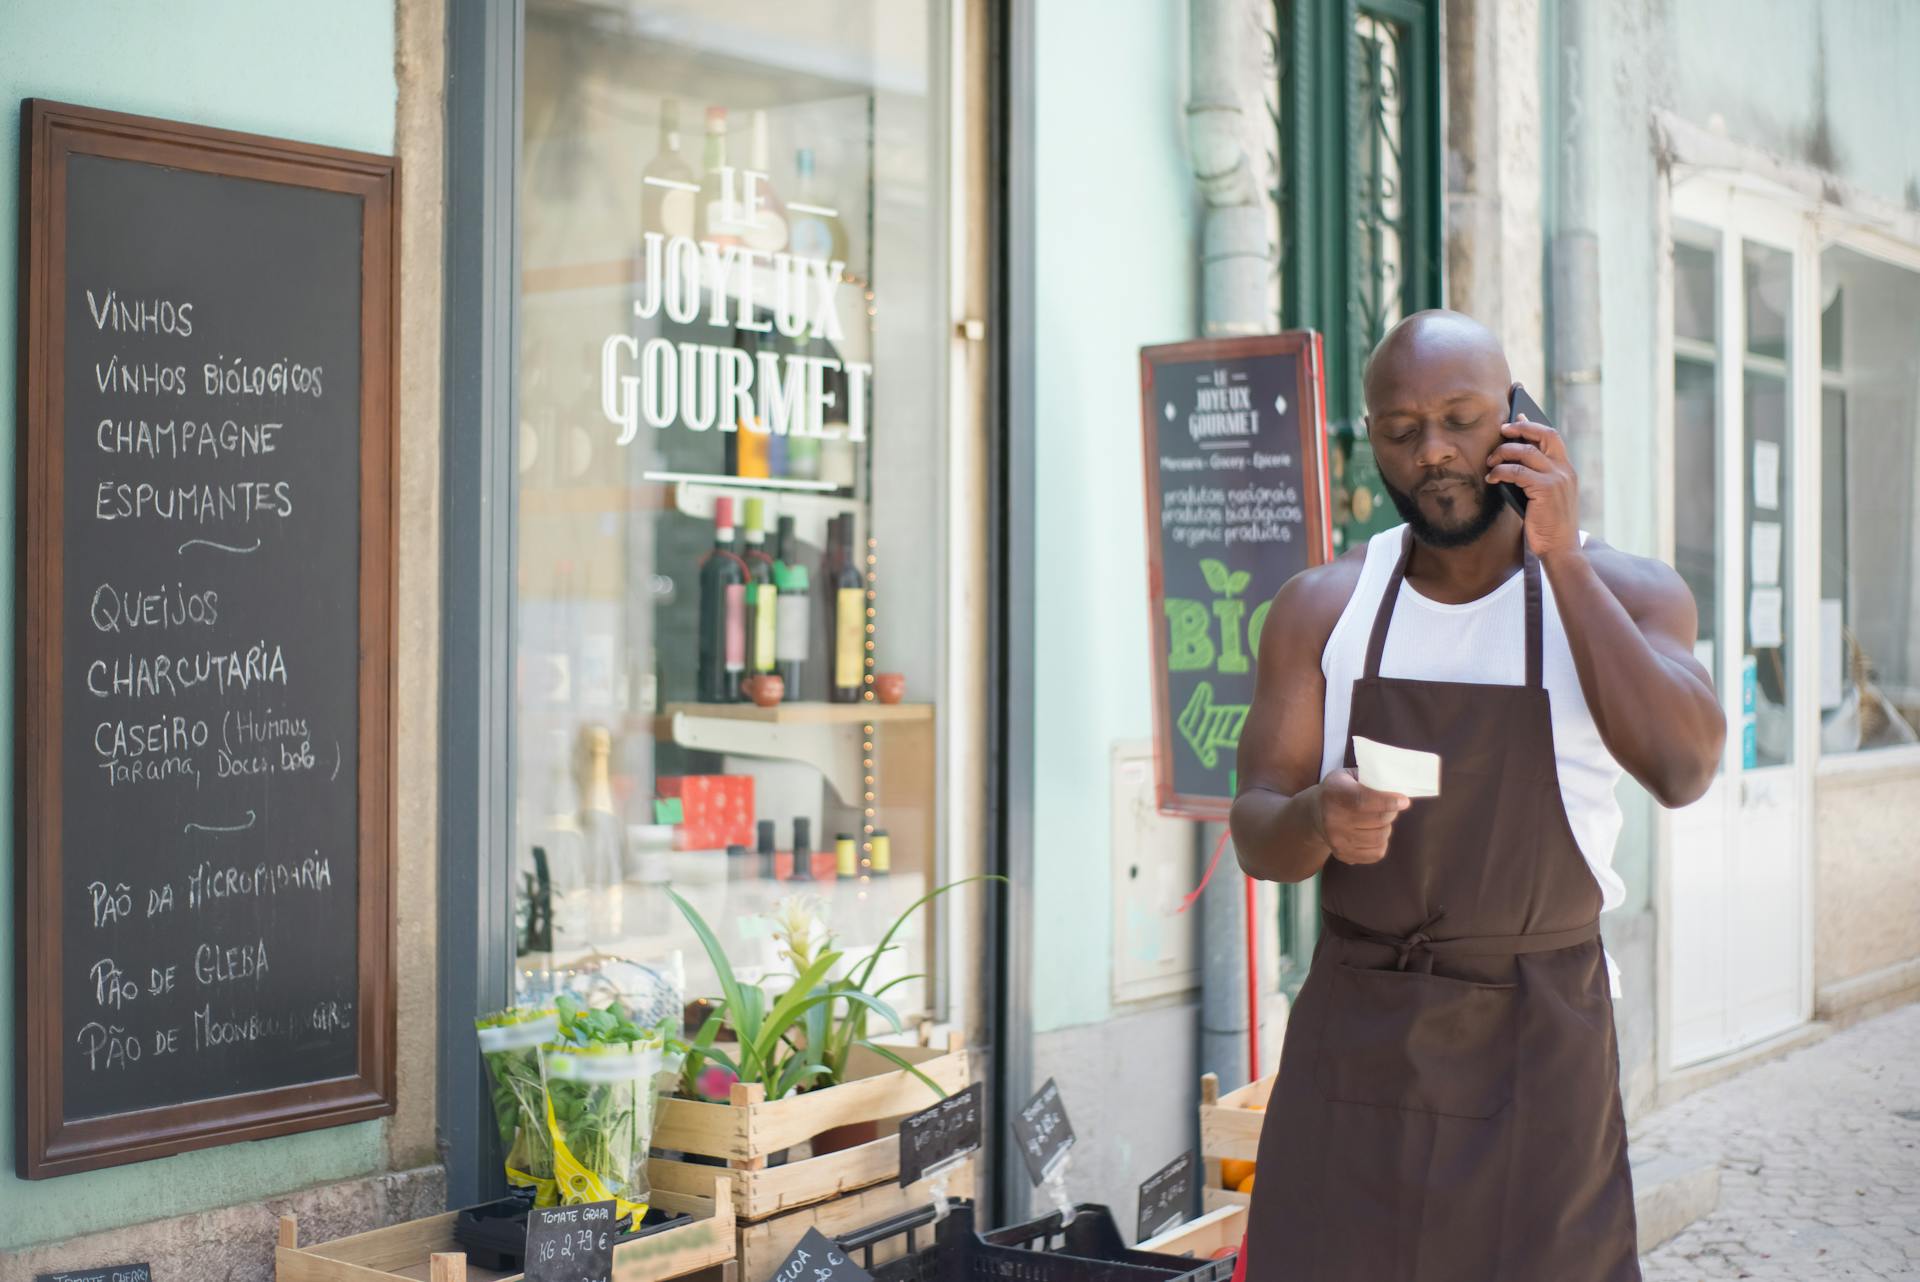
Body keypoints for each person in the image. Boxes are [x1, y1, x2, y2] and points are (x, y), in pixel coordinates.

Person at [1228, 310, 1724, 1281]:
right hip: (1356, 1037)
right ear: (1370, 439)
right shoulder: (1322, 609)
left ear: (1518, 418)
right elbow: (1254, 827)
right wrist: (1314, 819)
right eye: (1402, 430)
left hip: (1539, 1044)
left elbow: (1684, 767)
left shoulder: (1626, 594)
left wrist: (1564, 557)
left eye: (1462, 418)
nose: (1435, 453)